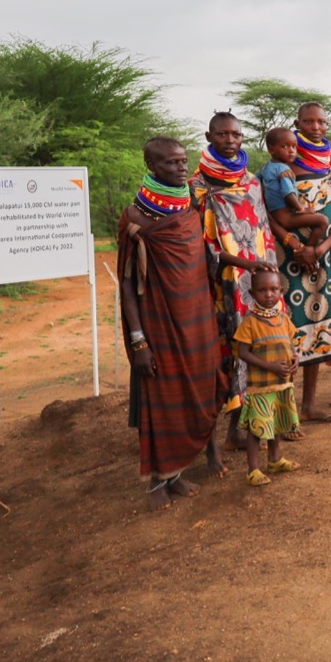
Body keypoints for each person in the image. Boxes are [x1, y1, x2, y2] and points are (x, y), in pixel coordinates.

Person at [118, 137, 226, 509]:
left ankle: (179, 472)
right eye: (170, 164)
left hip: (197, 316)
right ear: (151, 165)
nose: (181, 168)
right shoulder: (136, 217)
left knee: (200, 387)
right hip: (158, 322)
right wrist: (138, 341)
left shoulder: (193, 206)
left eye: (183, 161)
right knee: (160, 395)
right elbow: (128, 284)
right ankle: (156, 482)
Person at [188, 111, 278, 450]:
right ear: (209, 137)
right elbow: (200, 244)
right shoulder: (197, 186)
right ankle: (224, 433)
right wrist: (241, 263)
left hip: (258, 283)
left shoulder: (252, 181)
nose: (230, 141)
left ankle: (252, 424)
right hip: (221, 285)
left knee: (259, 344)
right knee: (229, 351)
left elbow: (263, 230)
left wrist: (268, 271)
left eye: (236, 135)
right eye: (223, 135)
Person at [275, 102, 331, 424]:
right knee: (288, 332)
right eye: (309, 121)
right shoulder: (282, 168)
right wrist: (296, 247)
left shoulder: (330, 169)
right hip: (289, 263)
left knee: (318, 328)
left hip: (323, 262)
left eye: (321, 122)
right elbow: (270, 214)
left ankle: (308, 405)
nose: (316, 127)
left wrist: (320, 249)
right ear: (297, 123)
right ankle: (285, 410)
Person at [231, 267, 303, 485]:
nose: (269, 294)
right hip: (261, 386)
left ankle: (275, 459)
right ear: (252, 294)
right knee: (257, 427)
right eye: (262, 290)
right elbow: (243, 353)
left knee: (277, 423)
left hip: (282, 384)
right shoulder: (250, 322)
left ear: (281, 290)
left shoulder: (283, 318)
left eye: (274, 289)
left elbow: (291, 344)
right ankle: (253, 470)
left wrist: (296, 358)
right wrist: (270, 366)